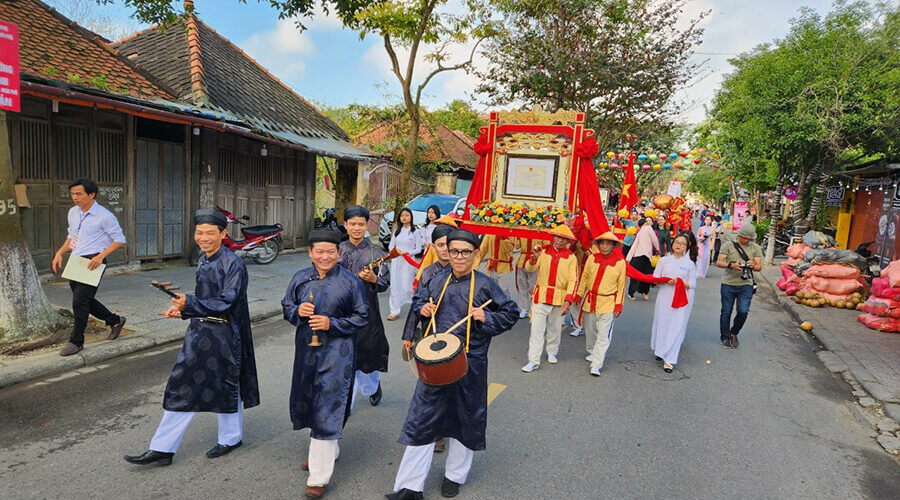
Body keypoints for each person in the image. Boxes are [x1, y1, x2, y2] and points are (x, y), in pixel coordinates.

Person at [387, 229, 519, 500]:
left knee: (464, 418)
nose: (459, 257)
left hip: (470, 362)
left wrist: (485, 317)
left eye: (465, 252)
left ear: (475, 255)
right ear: (444, 250)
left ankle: (454, 475)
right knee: (421, 420)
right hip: (434, 362)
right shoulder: (436, 280)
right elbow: (419, 300)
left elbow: (511, 313)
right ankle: (409, 487)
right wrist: (422, 309)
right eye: (454, 250)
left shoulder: (485, 285)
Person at [124, 208, 260, 466]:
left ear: (223, 233)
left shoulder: (234, 263)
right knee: (182, 385)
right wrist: (182, 310)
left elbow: (227, 301)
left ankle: (230, 438)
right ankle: (163, 448)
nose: (204, 237)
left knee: (227, 385)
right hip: (200, 331)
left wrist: (191, 303)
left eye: (210, 232)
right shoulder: (204, 259)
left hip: (224, 335)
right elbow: (203, 300)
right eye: (199, 233)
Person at [282, 228, 368, 498]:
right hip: (306, 351)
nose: (325, 256)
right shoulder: (300, 278)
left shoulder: (351, 282)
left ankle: (318, 476)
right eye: (319, 251)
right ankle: (325, 450)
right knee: (309, 399)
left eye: (330, 251)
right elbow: (286, 306)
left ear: (338, 252)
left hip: (338, 352)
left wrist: (332, 323)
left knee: (328, 403)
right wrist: (297, 311)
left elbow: (362, 317)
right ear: (310, 253)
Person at [51, 177, 127, 356]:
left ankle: (76, 342)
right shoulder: (73, 212)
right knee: (85, 300)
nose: (75, 197)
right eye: (72, 194)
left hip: (94, 261)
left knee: (79, 302)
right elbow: (72, 236)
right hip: (77, 261)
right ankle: (115, 320)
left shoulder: (104, 216)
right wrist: (60, 252)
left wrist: (101, 256)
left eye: (79, 194)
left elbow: (119, 240)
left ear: (91, 194)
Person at [339, 205, 390, 409]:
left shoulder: (376, 253)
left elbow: (385, 283)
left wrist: (374, 278)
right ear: (346, 225)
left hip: (368, 310)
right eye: (352, 224)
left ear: (367, 225)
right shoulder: (337, 250)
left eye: (361, 224)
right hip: (342, 311)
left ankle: (372, 387)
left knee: (367, 354)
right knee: (344, 356)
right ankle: (345, 403)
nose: (357, 228)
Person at [521, 225, 579, 373]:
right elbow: (529, 269)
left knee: (555, 327)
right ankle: (533, 360)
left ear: (567, 241)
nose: (559, 240)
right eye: (557, 237)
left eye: (562, 238)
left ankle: (552, 350)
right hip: (541, 295)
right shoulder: (544, 252)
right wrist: (533, 259)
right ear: (553, 237)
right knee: (536, 329)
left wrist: (568, 299)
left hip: (560, 297)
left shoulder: (571, 258)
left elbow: (573, 279)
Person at [574, 231, 627, 376]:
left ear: (613, 245)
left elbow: (621, 285)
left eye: (608, 243)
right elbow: (584, 278)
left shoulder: (620, 262)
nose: (604, 246)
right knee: (590, 331)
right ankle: (592, 352)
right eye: (602, 243)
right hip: (590, 300)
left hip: (608, 302)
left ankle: (597, 364)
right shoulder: (592, 257)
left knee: (603, 335)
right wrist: (579, 294)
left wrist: (618, 305)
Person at [650, 233, 698, 373]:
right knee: (662, 324)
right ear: (672, 243)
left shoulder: (689, 264)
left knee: (676, 326)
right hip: (664, 297)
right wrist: (665, 281)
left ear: (687, 247)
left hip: (680, 300)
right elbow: (655, 279)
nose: (679, 245)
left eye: (683, 244)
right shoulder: (663, 261)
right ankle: (660, 350)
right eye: (677, 242)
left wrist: (680, 282)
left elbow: (693, 284)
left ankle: (670, 359)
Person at [715, 224, 762, 349]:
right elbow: (719, 262)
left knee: (743, 311)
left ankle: (734, 332)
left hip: (746, 284)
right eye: (745, 238)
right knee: (726, 311)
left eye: (749, 239)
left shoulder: (755, 248)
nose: (747, 241)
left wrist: (752, 265)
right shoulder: (728, 246)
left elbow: (759, 267)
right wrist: (731, 265)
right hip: (728, 283)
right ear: (740, 235)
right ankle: (724, 336)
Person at [388, 208, 424, 320]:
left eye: (407, 215)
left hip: (408, 261)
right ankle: (394, 311)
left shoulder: (415, 232)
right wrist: (396, 251)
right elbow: (390, 246)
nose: (404, 217)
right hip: (397, 260)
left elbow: (418, 249)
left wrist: (408, 252)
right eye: (402, 215)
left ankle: (415, 308)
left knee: (408, 285)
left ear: (411, 217)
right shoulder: (397, 232)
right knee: (395, 284)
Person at [626, 217, 660, 301]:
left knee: (638, 276)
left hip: (641, 257)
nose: (648, 223)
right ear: (642, 225)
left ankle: (634, 293)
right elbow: (654, 239)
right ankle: (642, 292)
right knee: (646, 275)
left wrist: (628, 259)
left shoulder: (640, 232)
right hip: (643, 256)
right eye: (646, 222)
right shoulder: (647, 229)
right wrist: (657, 248)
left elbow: (634, 247)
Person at [477, 235, 516, 300]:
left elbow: (510, 249)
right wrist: (474, 265)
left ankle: (507, 307)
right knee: (490, 290)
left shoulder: (510, 234)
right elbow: (482, 250)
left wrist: (504, 238)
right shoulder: (490, 233)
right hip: (491, 267)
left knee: (503, 291)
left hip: (504, 267)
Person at [514, 236, 539, 319]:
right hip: (522, 261)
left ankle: (535, 307)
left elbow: (545, 247)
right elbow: (517, 246)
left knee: (533, 287)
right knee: (522, 287)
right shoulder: (522, 232)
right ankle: (524, 309)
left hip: (535, 262)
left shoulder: (541, 231)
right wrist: (516, 236)